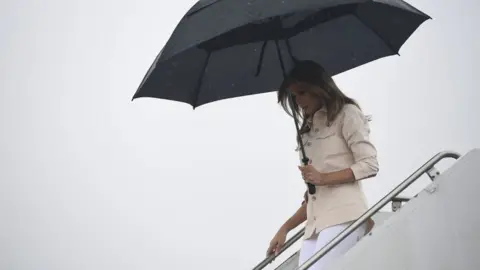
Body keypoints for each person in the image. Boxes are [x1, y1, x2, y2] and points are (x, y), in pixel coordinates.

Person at [266, 60, 379, 269]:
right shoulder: (307, 131)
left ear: (319, 88)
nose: (298, 100)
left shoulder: (347, 113)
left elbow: (370, 164)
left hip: (345, 213)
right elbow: (314, 195)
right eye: (294, 95)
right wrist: (285, 228)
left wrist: (323, 178)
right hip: (315, 224)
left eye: (302, 92)